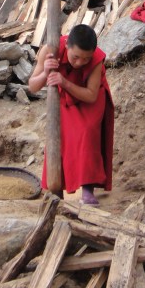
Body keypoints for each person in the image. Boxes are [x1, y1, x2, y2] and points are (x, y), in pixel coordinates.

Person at [28, 24, 114, 205]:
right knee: (61, 136)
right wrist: (45, 73)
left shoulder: (96, 60)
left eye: (86, 59)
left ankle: (88, 189)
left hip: (90, 99)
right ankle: (56, 188)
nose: (80, 63)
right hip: (65, 98)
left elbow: (91, 95)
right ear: (67, 46)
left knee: (87, 132)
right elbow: (33, 86)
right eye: (75, 57)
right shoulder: (51, 50)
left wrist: (65, 82)